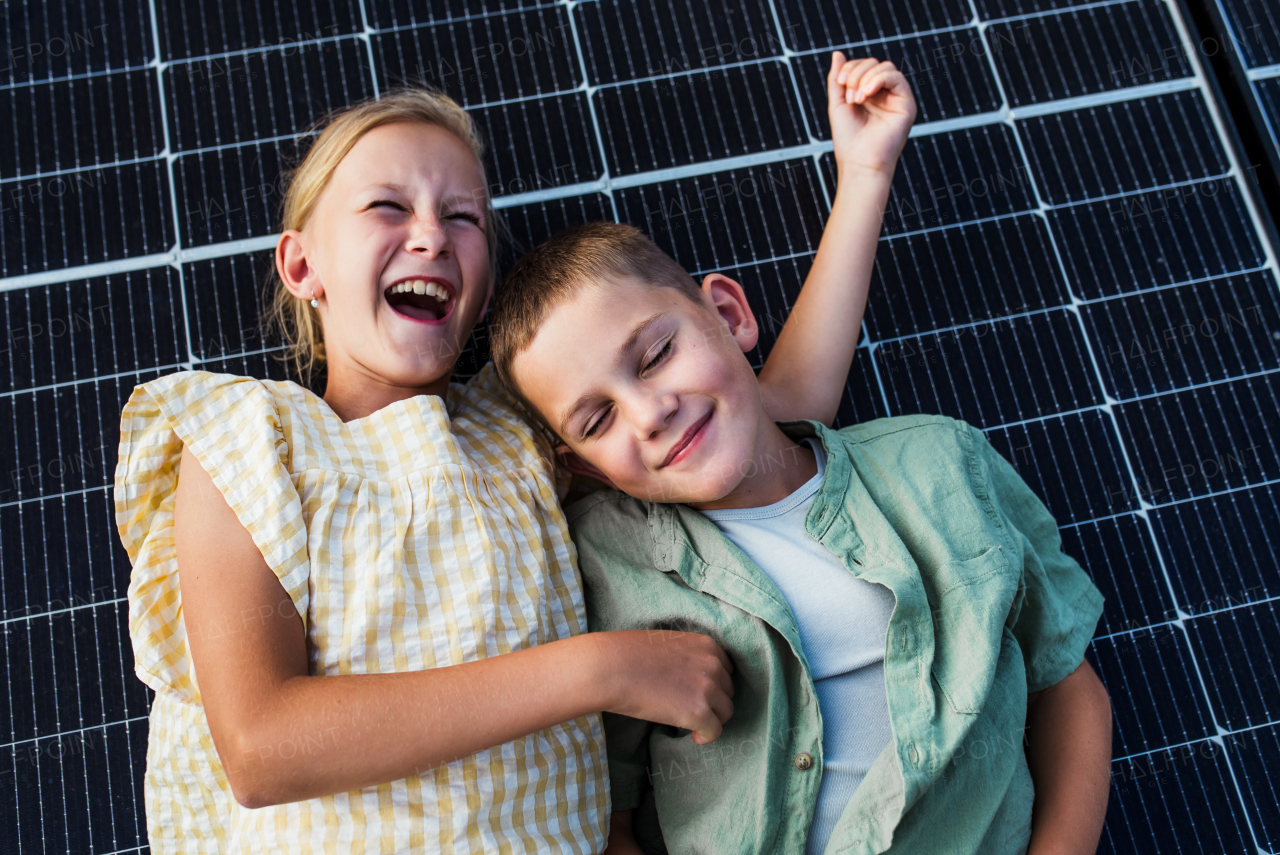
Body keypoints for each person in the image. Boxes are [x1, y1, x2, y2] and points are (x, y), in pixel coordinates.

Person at [114, 51, 896, 852]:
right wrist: (601, 671)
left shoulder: (521, 433)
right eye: (388, 206)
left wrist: (865, 178)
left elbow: (768, 416)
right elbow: (262, 746)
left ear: (483, 289)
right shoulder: (248, 437)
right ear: (303, 264)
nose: (432, 235)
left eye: (465, 218)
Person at [489, 95, 1112, 855]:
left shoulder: (938, 462)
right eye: (597, 420)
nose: (649, 412)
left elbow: (1066, 685)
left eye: (654, 355)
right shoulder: (607, 564)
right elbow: (608, 813)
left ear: (729, 313)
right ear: (583, 466)